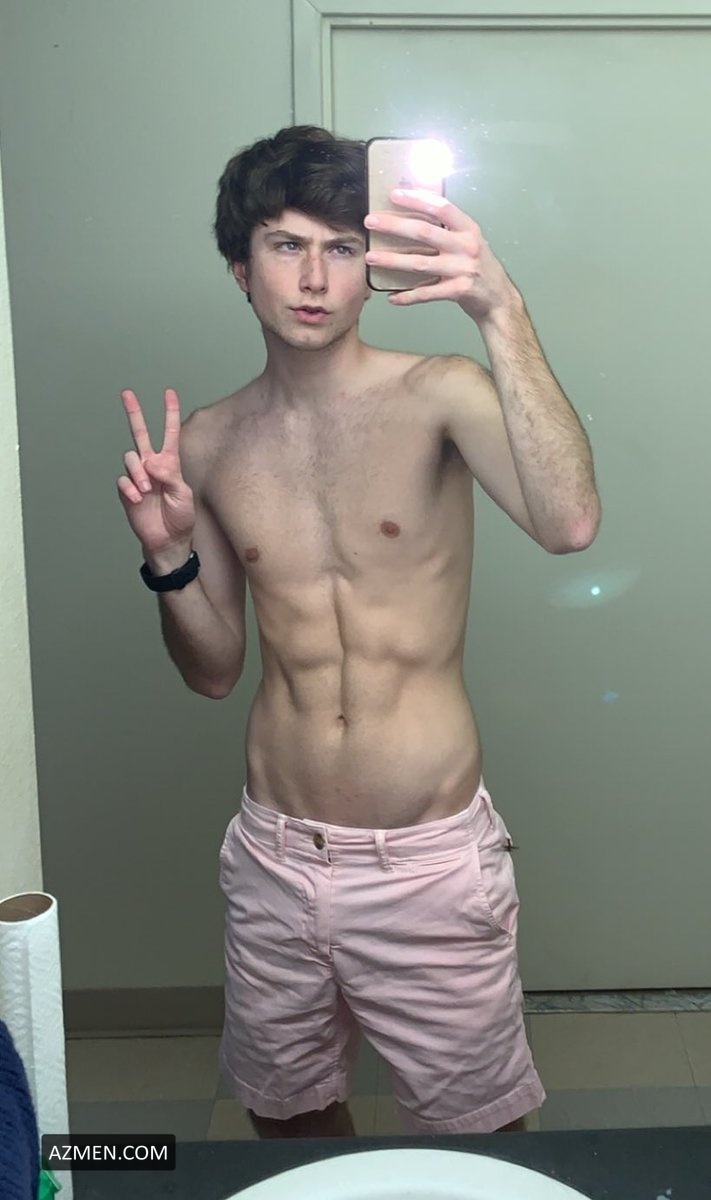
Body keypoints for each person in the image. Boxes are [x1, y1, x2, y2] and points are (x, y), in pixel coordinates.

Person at [117, 125, 601, 1140]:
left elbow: (569, 523)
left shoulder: (440, 396)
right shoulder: (207, 442)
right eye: (286, 245)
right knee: (289, 1126)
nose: (314, 277)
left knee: (478, 1146)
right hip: (275, 855)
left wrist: (499, 308)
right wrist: (169, 556)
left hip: (426, 860)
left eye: (342, 248)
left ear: (372, 267)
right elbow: (213, 671)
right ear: (240, 267)